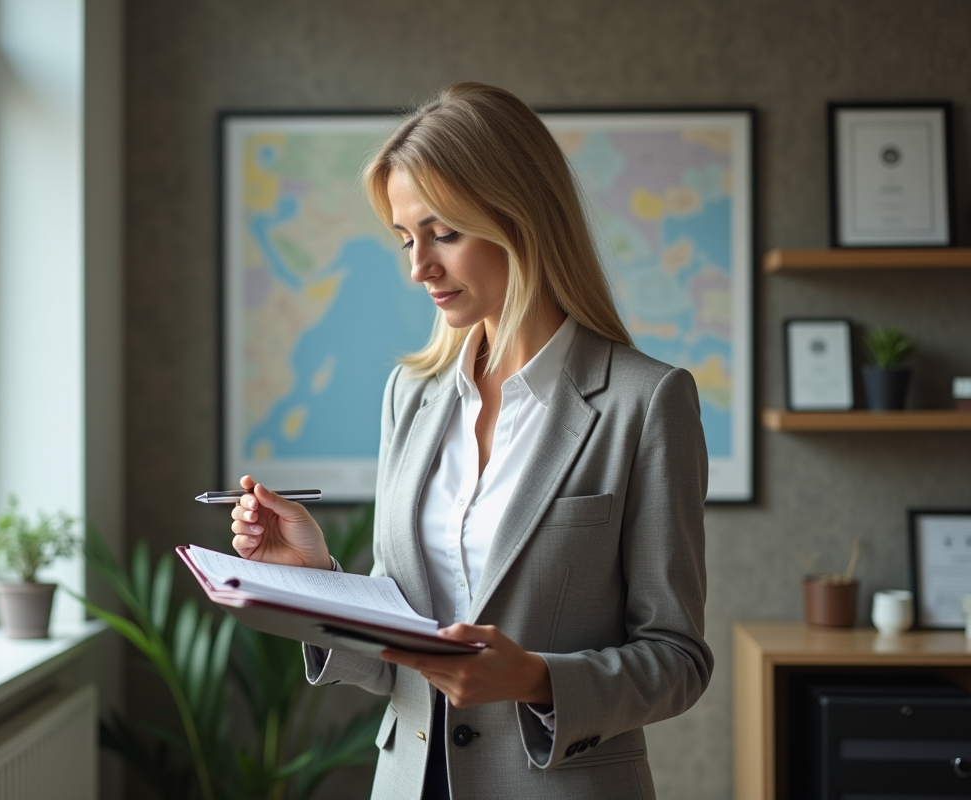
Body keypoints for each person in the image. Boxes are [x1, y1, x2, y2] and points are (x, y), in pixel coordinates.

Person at [228, 82, 712, 800]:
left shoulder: (647, 401)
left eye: (443, 233)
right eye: (404, 239)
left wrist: (536, 679)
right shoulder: (411, 395)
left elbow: (677, 660)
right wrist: (316, 578)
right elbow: (397, 655)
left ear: (522, 220)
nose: (417, 266)